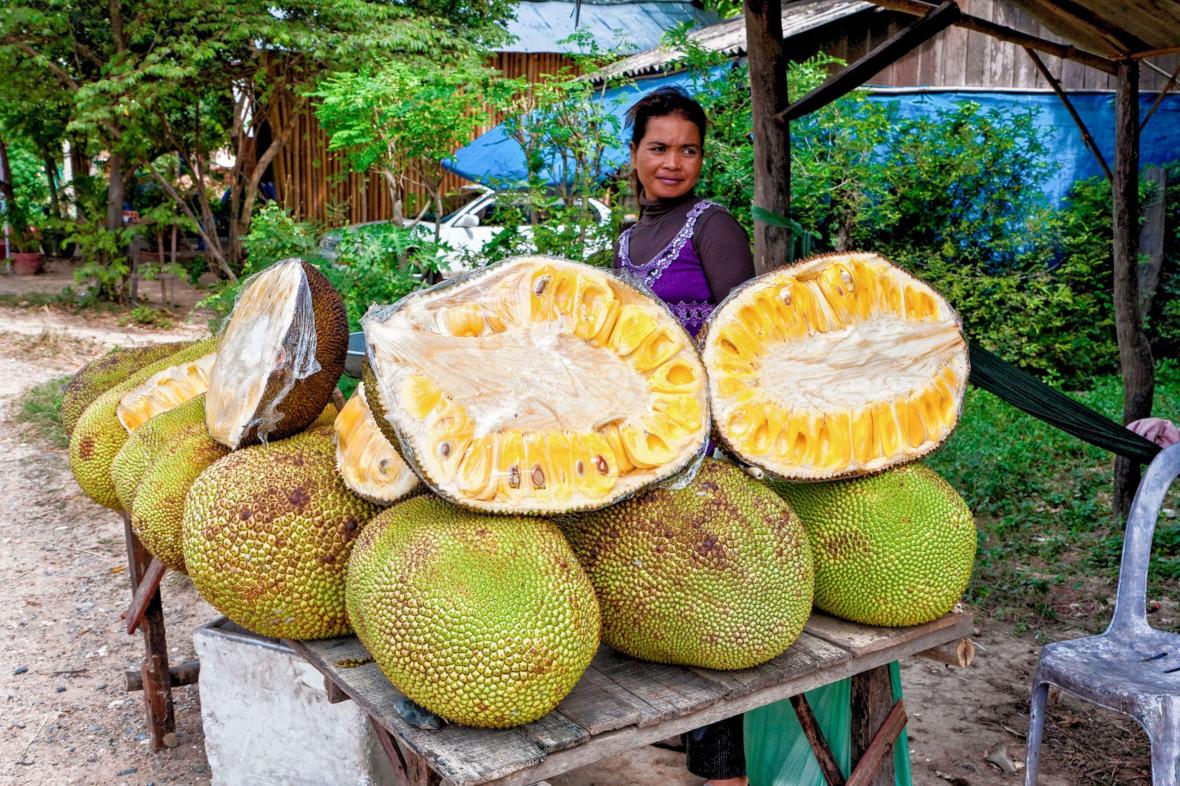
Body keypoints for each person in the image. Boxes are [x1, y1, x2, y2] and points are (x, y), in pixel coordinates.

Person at [615, 86, 754, 786]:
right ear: (635, 154)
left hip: (707, 443)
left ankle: (723, 764)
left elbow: (746, 339)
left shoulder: (713, 224)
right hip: (649, 441)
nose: (673, 162)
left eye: (688, 149)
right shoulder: (625, 239)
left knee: (713, 587)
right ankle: (692, 727)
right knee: (663, 580)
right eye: (659, 147)